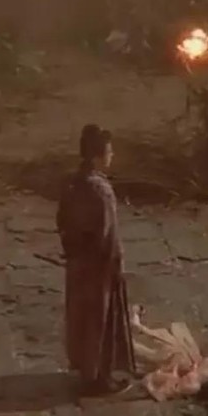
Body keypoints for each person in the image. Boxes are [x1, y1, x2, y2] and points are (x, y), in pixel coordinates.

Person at [56, 124, 136, 395]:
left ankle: (86, 370)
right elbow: (106, 234)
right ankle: (100, 378)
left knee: (82, 317)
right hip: (98, 266)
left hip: (78, 263)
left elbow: (62, 221)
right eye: (109, 152)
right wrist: (115, 265)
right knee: (101, 320)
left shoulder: (72, 183)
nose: (112, 156)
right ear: (97, 156)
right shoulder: (101, 190)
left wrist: (72, 249)